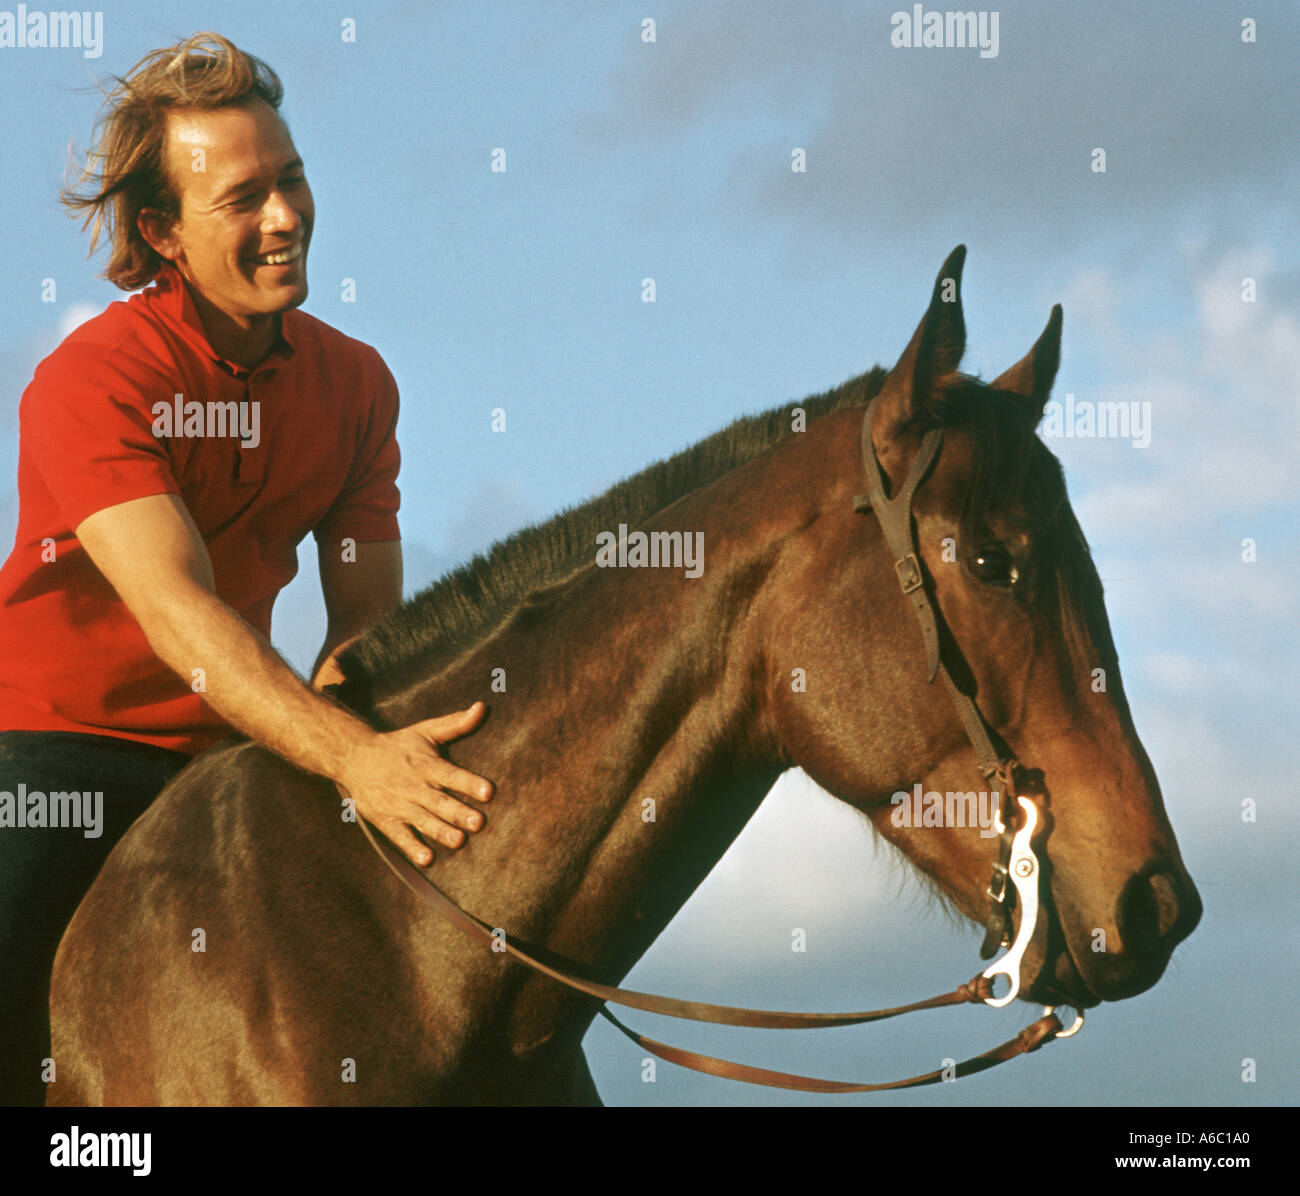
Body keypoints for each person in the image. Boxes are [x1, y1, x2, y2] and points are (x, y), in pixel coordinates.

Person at [0, 32, 493, 1106]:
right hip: (51, 751)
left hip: (239, 742)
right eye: (243, 199)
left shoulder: (358, 385)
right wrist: (353, 760)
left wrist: (357, 734)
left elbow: (367, 624)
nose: (284, 218)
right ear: (163, 232)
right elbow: (177, 611)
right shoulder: (89, 380)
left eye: (292, 179)